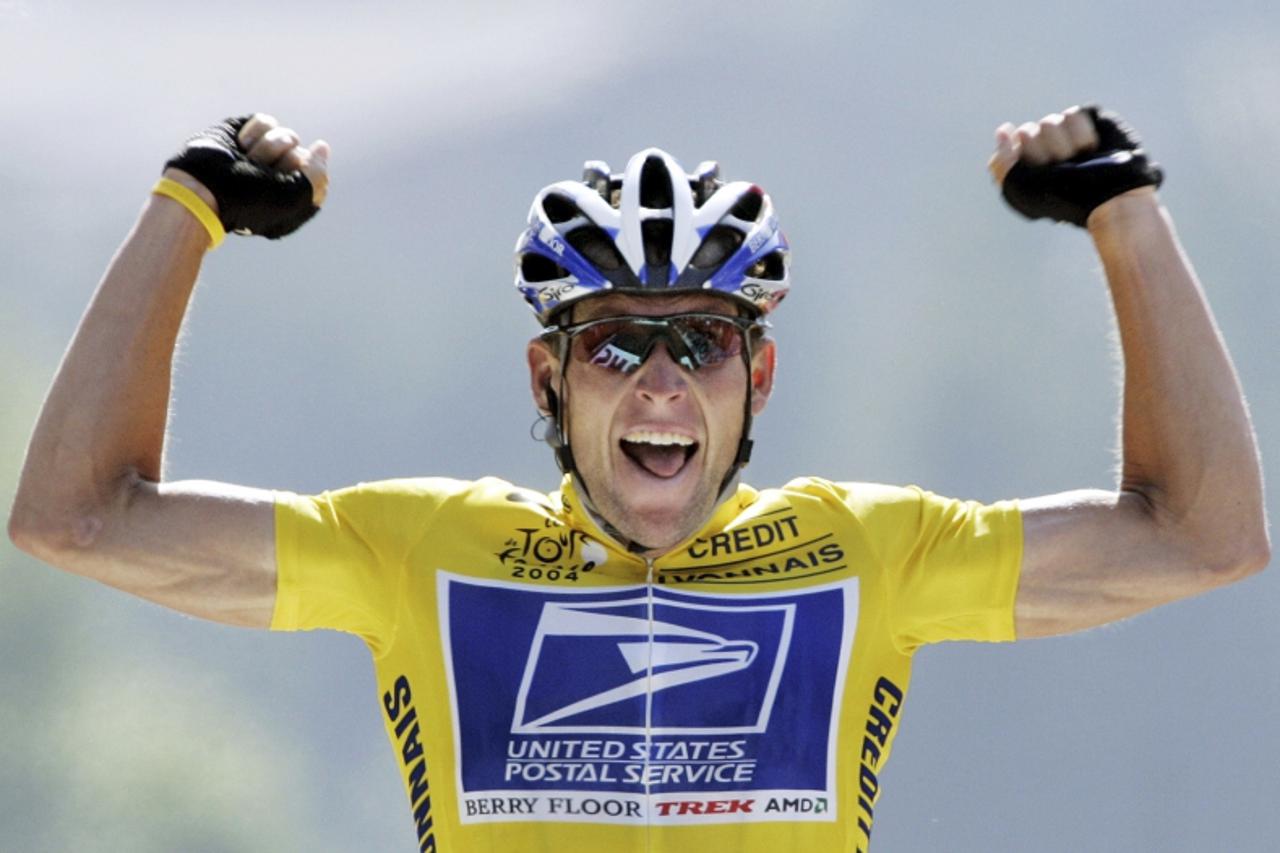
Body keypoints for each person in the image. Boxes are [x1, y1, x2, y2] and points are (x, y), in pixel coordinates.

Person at [8, 105, 1268, 853]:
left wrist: (1124, 211)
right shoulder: (422, 552)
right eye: (614, 340)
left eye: (701, 341)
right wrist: (189, 206)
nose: (660, 380)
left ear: (756, 381)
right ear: (546, 384)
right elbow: (75, 515)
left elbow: (1204, 535)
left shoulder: (868, 554)